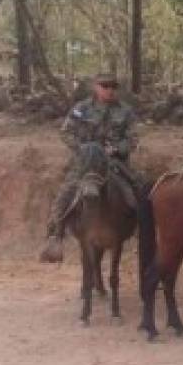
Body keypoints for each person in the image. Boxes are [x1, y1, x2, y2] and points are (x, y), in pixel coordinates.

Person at [40, 74, 138, 263]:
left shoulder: (125, 111)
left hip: (114, 162)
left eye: (113, 86)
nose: (109, 90)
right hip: (85, 163)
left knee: (138, 191)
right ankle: (55, 235)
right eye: (105, 86)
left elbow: (133, 139)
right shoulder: (81, 109)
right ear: (96, 87)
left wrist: (117, 149)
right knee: (65, 193)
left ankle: (145, 235)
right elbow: (66, 132)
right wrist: (83, 149)